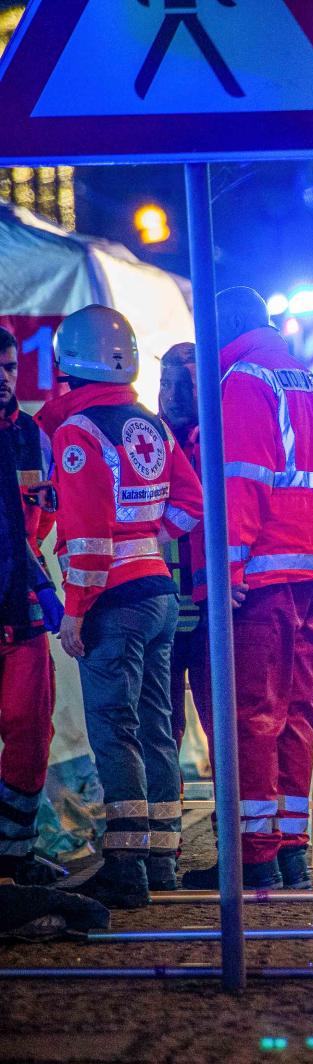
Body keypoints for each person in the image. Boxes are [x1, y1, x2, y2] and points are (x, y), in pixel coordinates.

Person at [37, 306, 202, 907]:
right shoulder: (150, 427)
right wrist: (151, 541)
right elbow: (191, 503)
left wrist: (75, 612)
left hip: (112, 601)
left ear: (67, 367)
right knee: (157, 727)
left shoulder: (79, 434)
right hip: (160, 593)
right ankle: (162, 859)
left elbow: (85, 540)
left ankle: (125, 866)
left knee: (114, 729)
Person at [182, 287, 313, 892]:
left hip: (266, 570)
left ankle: (253, 857)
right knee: (297, 712)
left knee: (251, 713)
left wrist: (226, 570)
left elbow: (241, 482)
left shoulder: (242, 380)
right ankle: (290, 852)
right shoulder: (307, 379)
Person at [0, 327, 66, 884]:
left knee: (29, 728)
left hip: (20, 612)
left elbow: (40, 520)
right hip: (25, 596)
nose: (2, 379)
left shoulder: (32, 436)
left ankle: (14, 851)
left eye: (7, 368)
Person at [156, 342, 205, 758]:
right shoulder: (144, 440)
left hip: (213, 610)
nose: (173, 396)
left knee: (223, 721)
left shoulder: (219, 443)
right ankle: (166, 814)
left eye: (186, 385)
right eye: (166, 384)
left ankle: (231, 819)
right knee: (161, 722)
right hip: (159, 607)